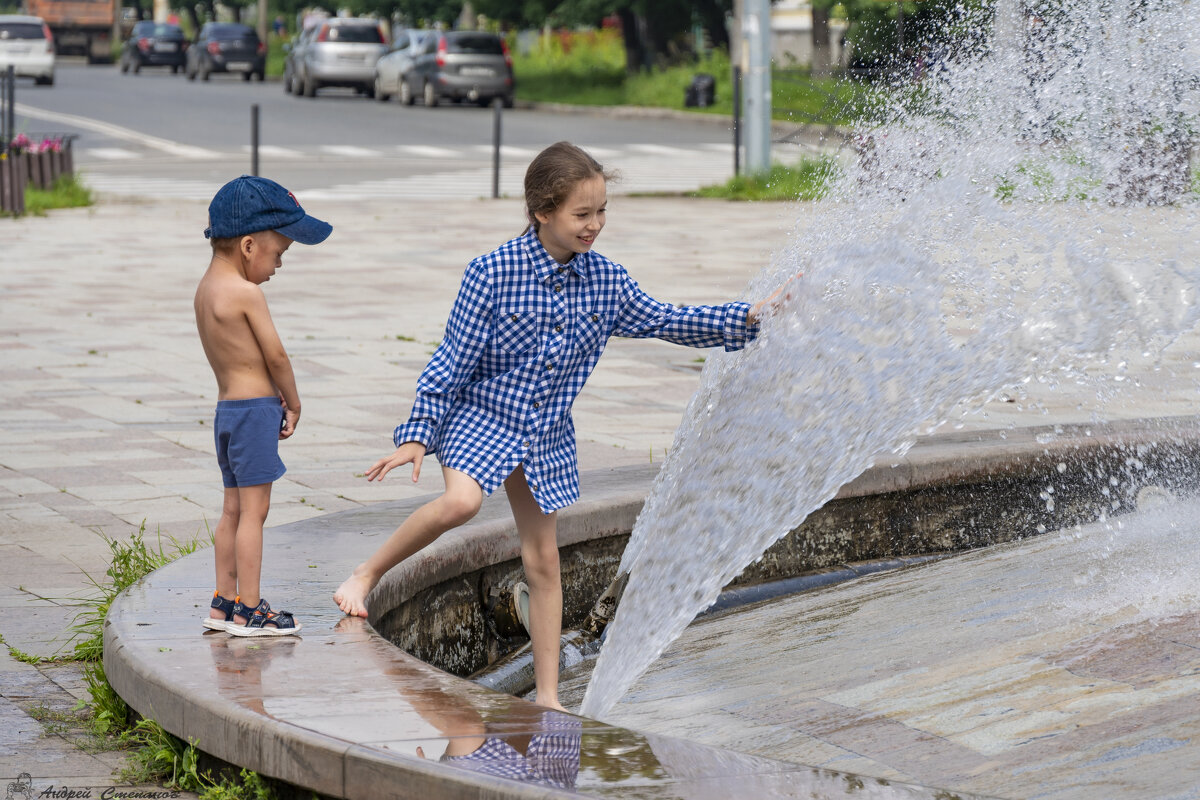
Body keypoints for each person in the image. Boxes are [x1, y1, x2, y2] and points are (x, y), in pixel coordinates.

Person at [334, 141, 783, 708]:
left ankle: (547, 694)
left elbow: (667, 319)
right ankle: (366, 574)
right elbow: (450, 360)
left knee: (543, 559)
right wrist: (419, 433)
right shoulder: (491, 272)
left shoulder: (607, 282)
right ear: (542, 211)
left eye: (601, 213)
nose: (594, 225)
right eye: (582, 214)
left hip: (544, 431)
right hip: (481, 416)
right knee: (462, 504)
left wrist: (749, 319)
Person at [196, 175, 332, 638]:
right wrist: (292, 401)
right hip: (255, 412)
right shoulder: (247, 293)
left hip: (226, 414)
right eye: (279, 254)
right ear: (249, 246)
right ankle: (251, 610)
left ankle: (222, 601)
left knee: (231, 510)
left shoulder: (205, 291)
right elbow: (275, 356)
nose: (278, 265)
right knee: (255, 514)